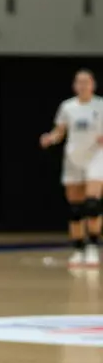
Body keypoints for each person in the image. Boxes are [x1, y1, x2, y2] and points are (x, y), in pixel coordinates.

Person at [40, 70, 103, 266]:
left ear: (93, 84)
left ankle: (93, 247)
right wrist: (50, 138)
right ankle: (78, 249)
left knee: (92, 204)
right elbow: (60, 131)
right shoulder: (67, 107)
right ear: (74, 86)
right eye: (79, 82)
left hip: (96, 156)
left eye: (87, 81)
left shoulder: (100, 105)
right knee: (75, 208)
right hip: (73, 158)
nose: (83, 85)